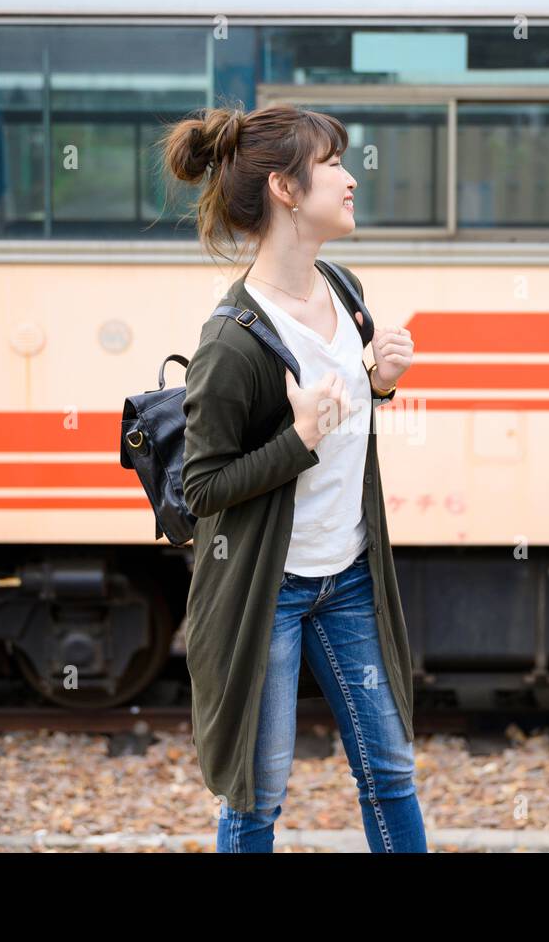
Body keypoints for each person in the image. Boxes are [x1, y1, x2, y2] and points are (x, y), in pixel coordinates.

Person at [158, 101, 427, 852]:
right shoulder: (232, 339)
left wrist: (380, 385)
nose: (349, 177)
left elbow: (349, 415)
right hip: (265, 593)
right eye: (333, 162)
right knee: (256, 797)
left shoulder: (343, 288)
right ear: (285, 188)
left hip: (348, 577)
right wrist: (301, 437)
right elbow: (202, 488)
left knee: (391, 773)